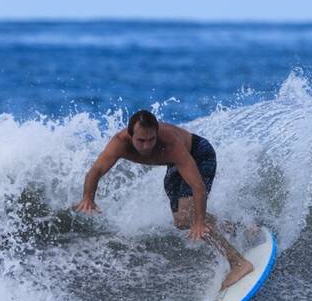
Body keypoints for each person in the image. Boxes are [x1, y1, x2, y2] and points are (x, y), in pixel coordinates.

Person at [74, 110, 254, 289]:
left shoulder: (170, 144)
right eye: (141, 141)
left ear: (157, 133)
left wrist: (199, 221)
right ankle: (235, 227)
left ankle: (238, 263)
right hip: (175, 164)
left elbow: (198, 187)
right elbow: (96, 170)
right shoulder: (119, 143)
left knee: (189, 217)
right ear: (130, 135)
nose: (146, 146)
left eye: (151, 139)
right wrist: (88, 197)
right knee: (181, 222)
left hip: (199, 155)